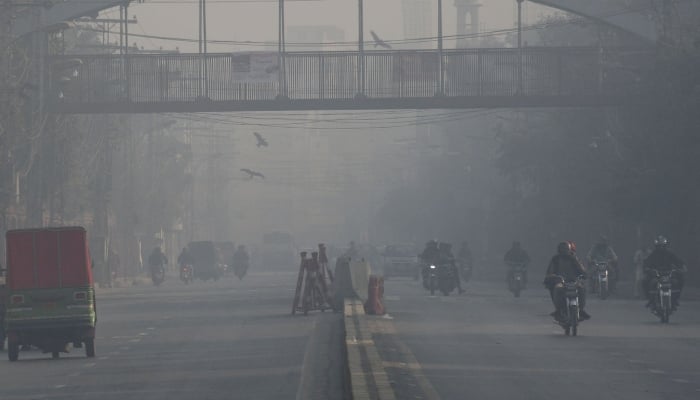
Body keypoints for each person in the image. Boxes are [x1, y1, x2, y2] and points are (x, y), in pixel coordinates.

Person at [544, 241, 590, 322]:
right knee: (558, 289)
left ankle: (580, 309)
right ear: (559, 250)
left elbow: (581, 269)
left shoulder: (574, 258)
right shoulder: (556, 259)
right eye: (563, 249)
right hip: (560, 282)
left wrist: (583, 274)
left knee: (581, 289)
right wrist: (554, 276)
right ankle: (559, 310)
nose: (565, 251)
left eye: (566, 249)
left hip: (574, 281)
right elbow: (550, 272)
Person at [642, 236, 686, 310]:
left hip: (669, 274)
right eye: (660, 246)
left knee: (678, 281)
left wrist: (682, 267)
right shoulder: (653, 254)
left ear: (665, 245)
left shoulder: (670, 253)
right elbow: (646, 262)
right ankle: (650, 299)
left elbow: (678, 261)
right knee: (645, 281)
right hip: (656, 274)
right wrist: (647, 269)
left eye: (663, 246)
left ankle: (675, 299)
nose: (661, 247)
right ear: (656, 246)